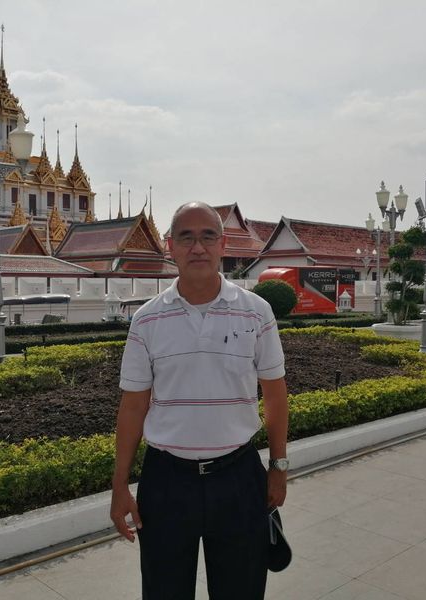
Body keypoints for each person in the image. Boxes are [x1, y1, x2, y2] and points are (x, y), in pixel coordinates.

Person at [111, 202, 289, 600]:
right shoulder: (146, 320)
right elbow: (133, 406)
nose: (198, 247)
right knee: (164, 591)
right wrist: (120, 483)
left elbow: (275, 395)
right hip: (167, 481)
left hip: (239, 476)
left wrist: (278, 466)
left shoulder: (256, 312)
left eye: (208, 236)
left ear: (222, 244)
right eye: (186, 238)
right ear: (170, 247)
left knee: (241, 590)